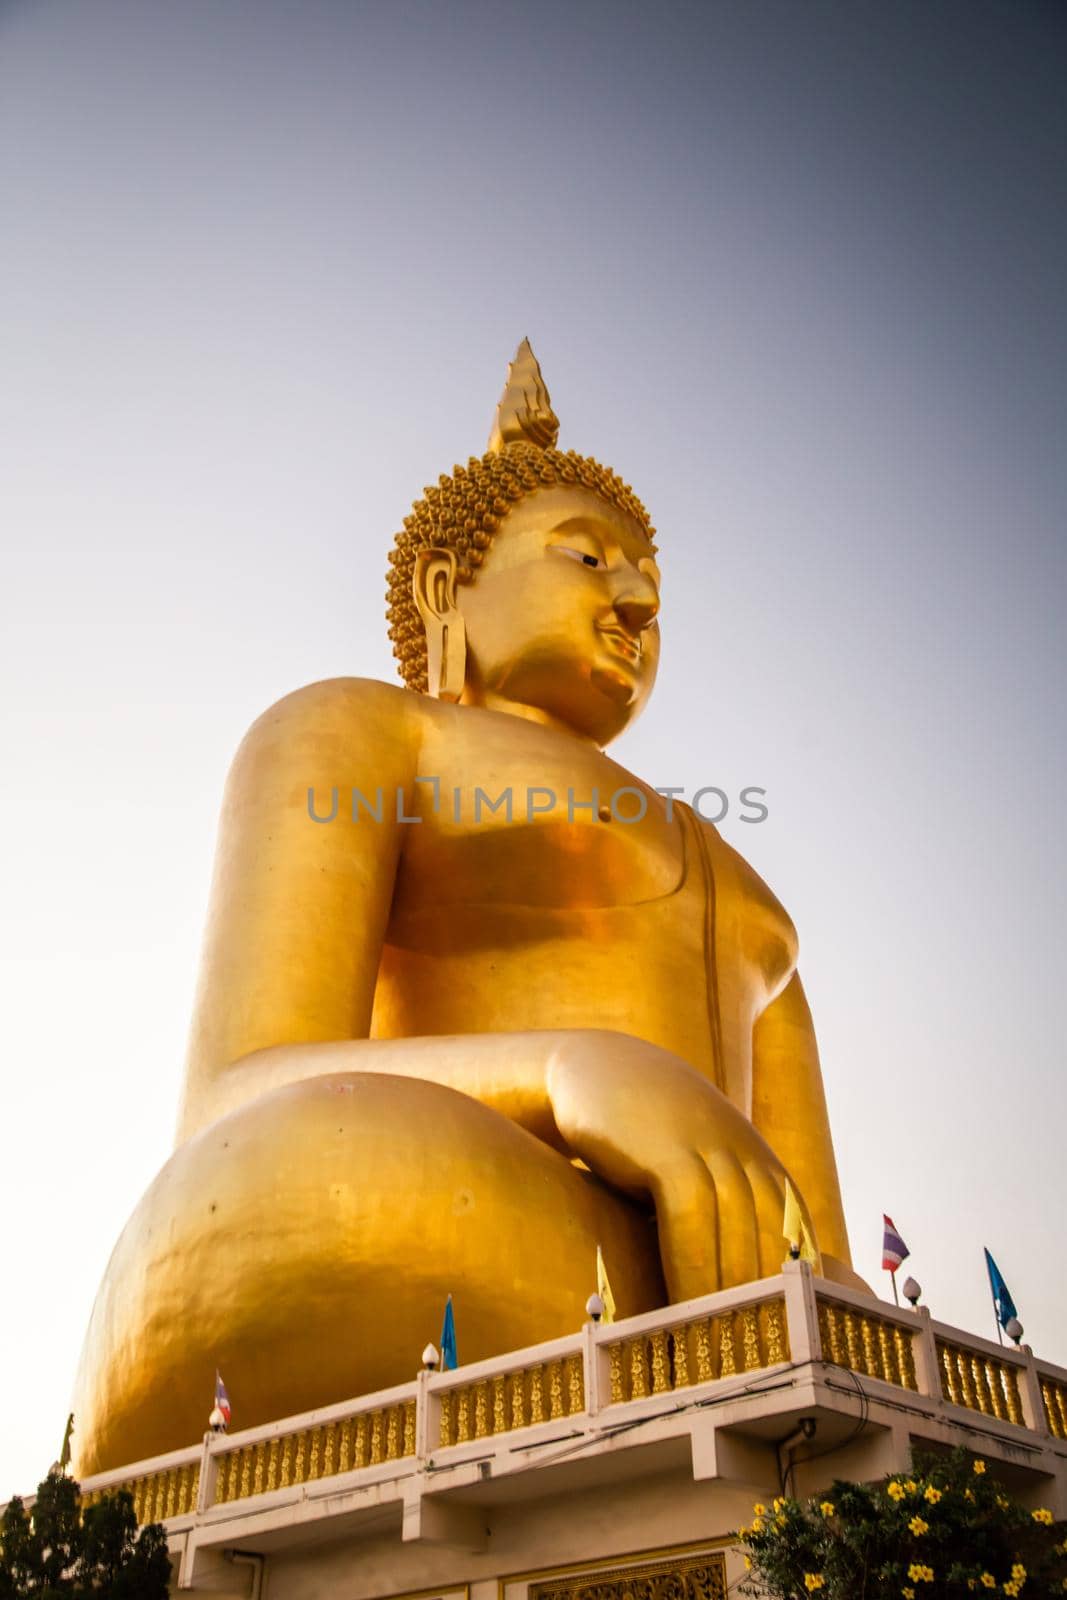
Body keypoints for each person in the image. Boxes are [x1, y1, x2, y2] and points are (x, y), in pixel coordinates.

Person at [71, 342, 859, 1475]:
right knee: (276, 1180)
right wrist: (565, 1073)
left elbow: (805, 1236)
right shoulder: (364, 731)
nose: (633, 598)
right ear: (450, 590)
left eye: (648, 581)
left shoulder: (741, 887)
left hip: (687, 1284)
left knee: (815, 1304)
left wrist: (826, 1300)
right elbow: (228, 1098)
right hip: (457, 1218)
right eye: (587, 557)